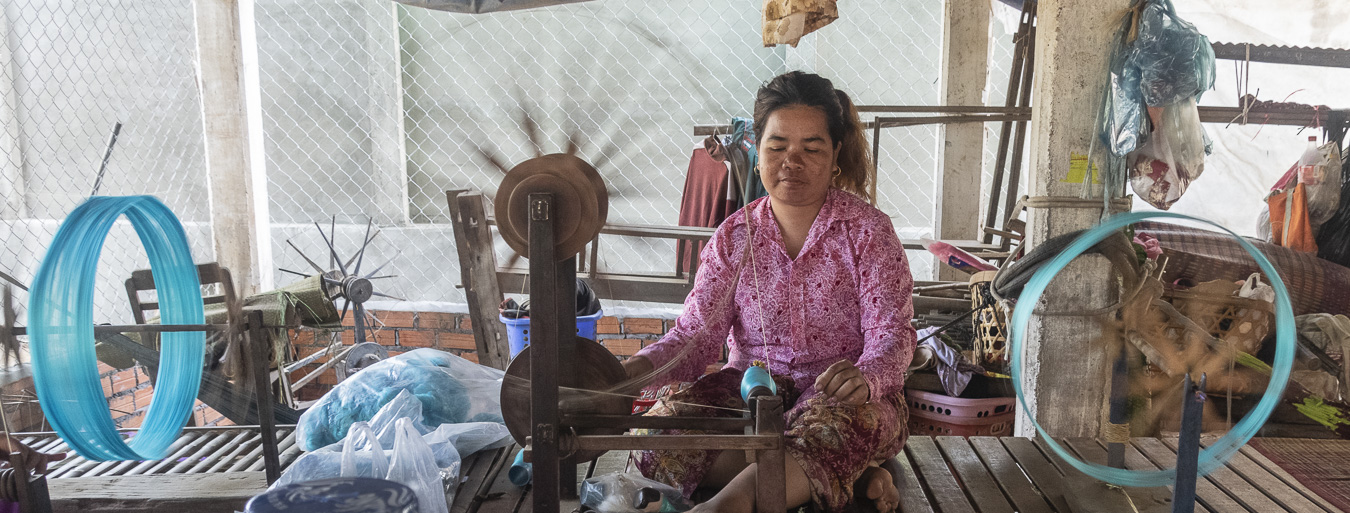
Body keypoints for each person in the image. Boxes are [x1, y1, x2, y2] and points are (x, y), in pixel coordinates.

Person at [622, 71, 916, 513]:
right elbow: (695, 336)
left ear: (836, 153)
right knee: (658, 433)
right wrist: (631, 373)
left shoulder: (868, 232)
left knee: (836, 429)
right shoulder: (733, 238)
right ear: (757, 152)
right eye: (777, 146)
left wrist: (867, 376)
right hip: (750, 393)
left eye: (811, 148)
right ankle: (840, 476)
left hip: (842, 402)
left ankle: (726, 506)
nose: (791, 162)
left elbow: (892, 333)